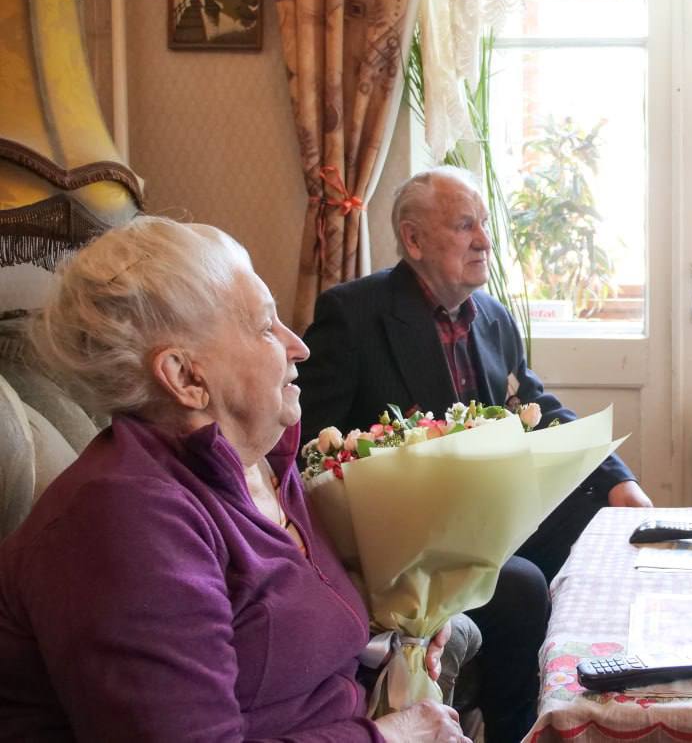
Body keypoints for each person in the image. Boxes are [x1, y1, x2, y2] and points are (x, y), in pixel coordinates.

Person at [0, 216, 466, 742]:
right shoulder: (125, 521)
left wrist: (407, 616)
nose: (298, 346)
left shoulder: (263, 463)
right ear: (184, 376)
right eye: (266, 326)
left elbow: (289, 611)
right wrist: (394, 736)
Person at [297, 165, 653, 743]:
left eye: (484, 224)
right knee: (520, 586)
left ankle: (609, 695)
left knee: (601, 518)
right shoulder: (353, 315)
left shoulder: (492, 318)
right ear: (414, 240)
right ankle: (520, 729)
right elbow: (309, 446)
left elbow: (535, 406)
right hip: (408, 547)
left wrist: (617, 480)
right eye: (465, 226)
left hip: (486, 520)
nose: (485, 240)